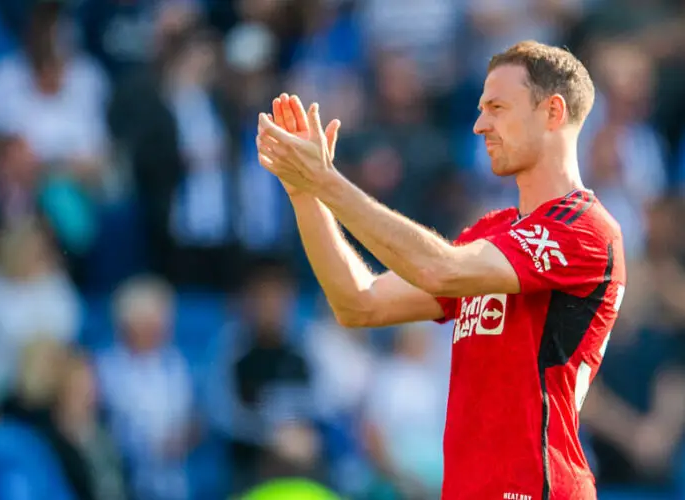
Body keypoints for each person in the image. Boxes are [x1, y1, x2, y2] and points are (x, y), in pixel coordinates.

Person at [257, 41, 626, 500]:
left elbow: (438, 269)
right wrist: (304, 195)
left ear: (552, 112)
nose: (480, 124)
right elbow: (359, 304)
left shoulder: (584, 229)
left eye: (497, 107)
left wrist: (328, 181)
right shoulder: (493, 234)